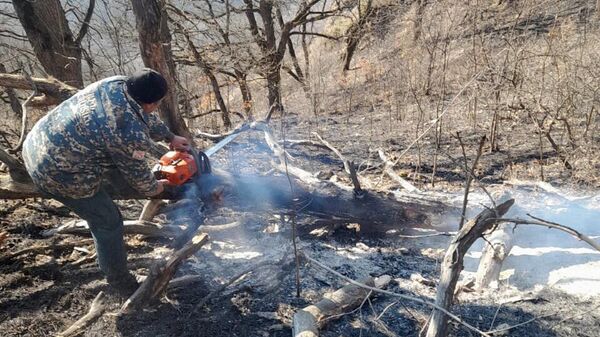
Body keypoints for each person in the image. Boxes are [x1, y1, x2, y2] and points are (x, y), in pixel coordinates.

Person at [22, 68, 189, 294]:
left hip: (37, 143)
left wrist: (170, 136)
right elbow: (143, 182)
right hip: (57, 173)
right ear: (150, 103)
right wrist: (160, 188)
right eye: (157, 102)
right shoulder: (127, 131)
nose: (156, 107)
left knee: (120, 171)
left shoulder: (117, 83)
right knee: (108, 221)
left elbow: (142, 117)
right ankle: (122, 283)